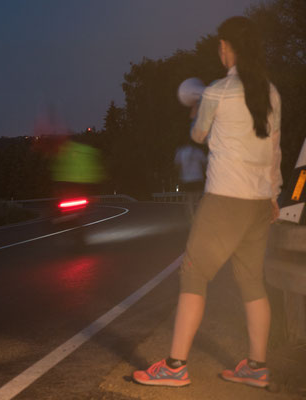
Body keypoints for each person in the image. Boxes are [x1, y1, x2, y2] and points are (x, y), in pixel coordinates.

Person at [133, 16, 282, 388]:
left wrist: (199, 113)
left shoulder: (217, 91)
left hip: (226, 200)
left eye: (221, 44)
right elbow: (275, 151)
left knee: (194, 273)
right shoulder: (272, 93)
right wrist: (274, 196)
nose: (219, 50)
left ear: (230, 47)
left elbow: (199, 135)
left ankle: (175, 366)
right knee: (252, 282)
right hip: (259, 202)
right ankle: (256, 366)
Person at [174, 140, 207, 219]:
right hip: (198, 178)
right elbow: (205, 164)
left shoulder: (181, 152)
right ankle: (198, 214)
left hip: (187, 179)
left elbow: (177, 165)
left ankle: (192, 215)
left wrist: (180, 174)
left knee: (190, 198)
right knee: (198, 197)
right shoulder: (198, 151)